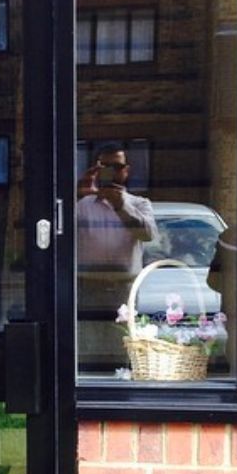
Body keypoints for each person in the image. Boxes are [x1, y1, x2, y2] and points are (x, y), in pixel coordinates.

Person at [76, 144, 157, 371]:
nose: (112, 171)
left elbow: (148, 235)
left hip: (125, 289)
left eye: (117, 166)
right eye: (106, 166)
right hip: (88, 288)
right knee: (88, 350)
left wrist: (120, 205)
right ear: (96, 170)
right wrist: (76, 192)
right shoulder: (82, 205)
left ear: (127, 170)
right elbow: (59, 233)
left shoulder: (140, 204)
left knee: (125, 350)